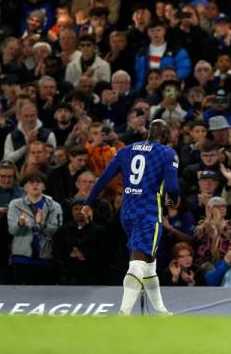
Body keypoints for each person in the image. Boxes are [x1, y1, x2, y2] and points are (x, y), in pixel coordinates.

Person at [82, 119, 180, 315]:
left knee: (149, 262)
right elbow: (172, 187)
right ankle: (124, 312)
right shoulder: (167, 153)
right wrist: (173, 200)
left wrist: (88, 202)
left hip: (127, 211)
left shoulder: (126, 150)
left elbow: (104, 178)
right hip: (149, 212)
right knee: (137, 263)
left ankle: (160, 310)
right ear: (165, 136)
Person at [7, 171, 63, 285]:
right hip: (22, 258)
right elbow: (12, 230)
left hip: (46, 258)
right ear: (25, 186)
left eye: (39, 182)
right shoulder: (16, 204)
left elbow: (57, 230)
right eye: (31, 182)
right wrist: (21, 224)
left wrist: (42, 224)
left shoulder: (54, 206)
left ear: (44, 186)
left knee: (44, 297)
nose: (35, 185)